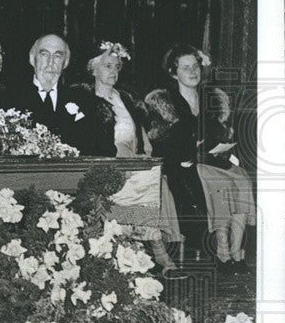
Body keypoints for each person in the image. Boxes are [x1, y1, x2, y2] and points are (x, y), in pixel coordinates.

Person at [145, 44, 255, 273]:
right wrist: (190, 147)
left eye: (195, 66)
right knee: (219, 183)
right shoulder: (163, 103)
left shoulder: (212, 98)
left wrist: (220, 147)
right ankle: (223, 254)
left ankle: (237, 252)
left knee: (243, 179)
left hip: (212, 159)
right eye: (185, 68)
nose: (193, 71)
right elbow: (161, 143)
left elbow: (222, 134)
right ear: (173, 73)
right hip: (181, 165)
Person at [73, 41, 178, 273]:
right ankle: (143, 252)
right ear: (93, 68)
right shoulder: (84, 98)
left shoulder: (126, 98)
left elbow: (140, 134)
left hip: (133, 159)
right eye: (108, 66)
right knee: (137, 181)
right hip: (105, 163)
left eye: (117, 67)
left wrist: (143, 156)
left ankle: (146, 250)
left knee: (150, 173)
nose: (114, 71)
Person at [15, 33, 98, 153]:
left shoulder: (83, 99)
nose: (50, 62)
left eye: (58, 56)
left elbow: (101, 146)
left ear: (65, 63)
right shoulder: (12, 98)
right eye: (44, 55)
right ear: (32, 59)